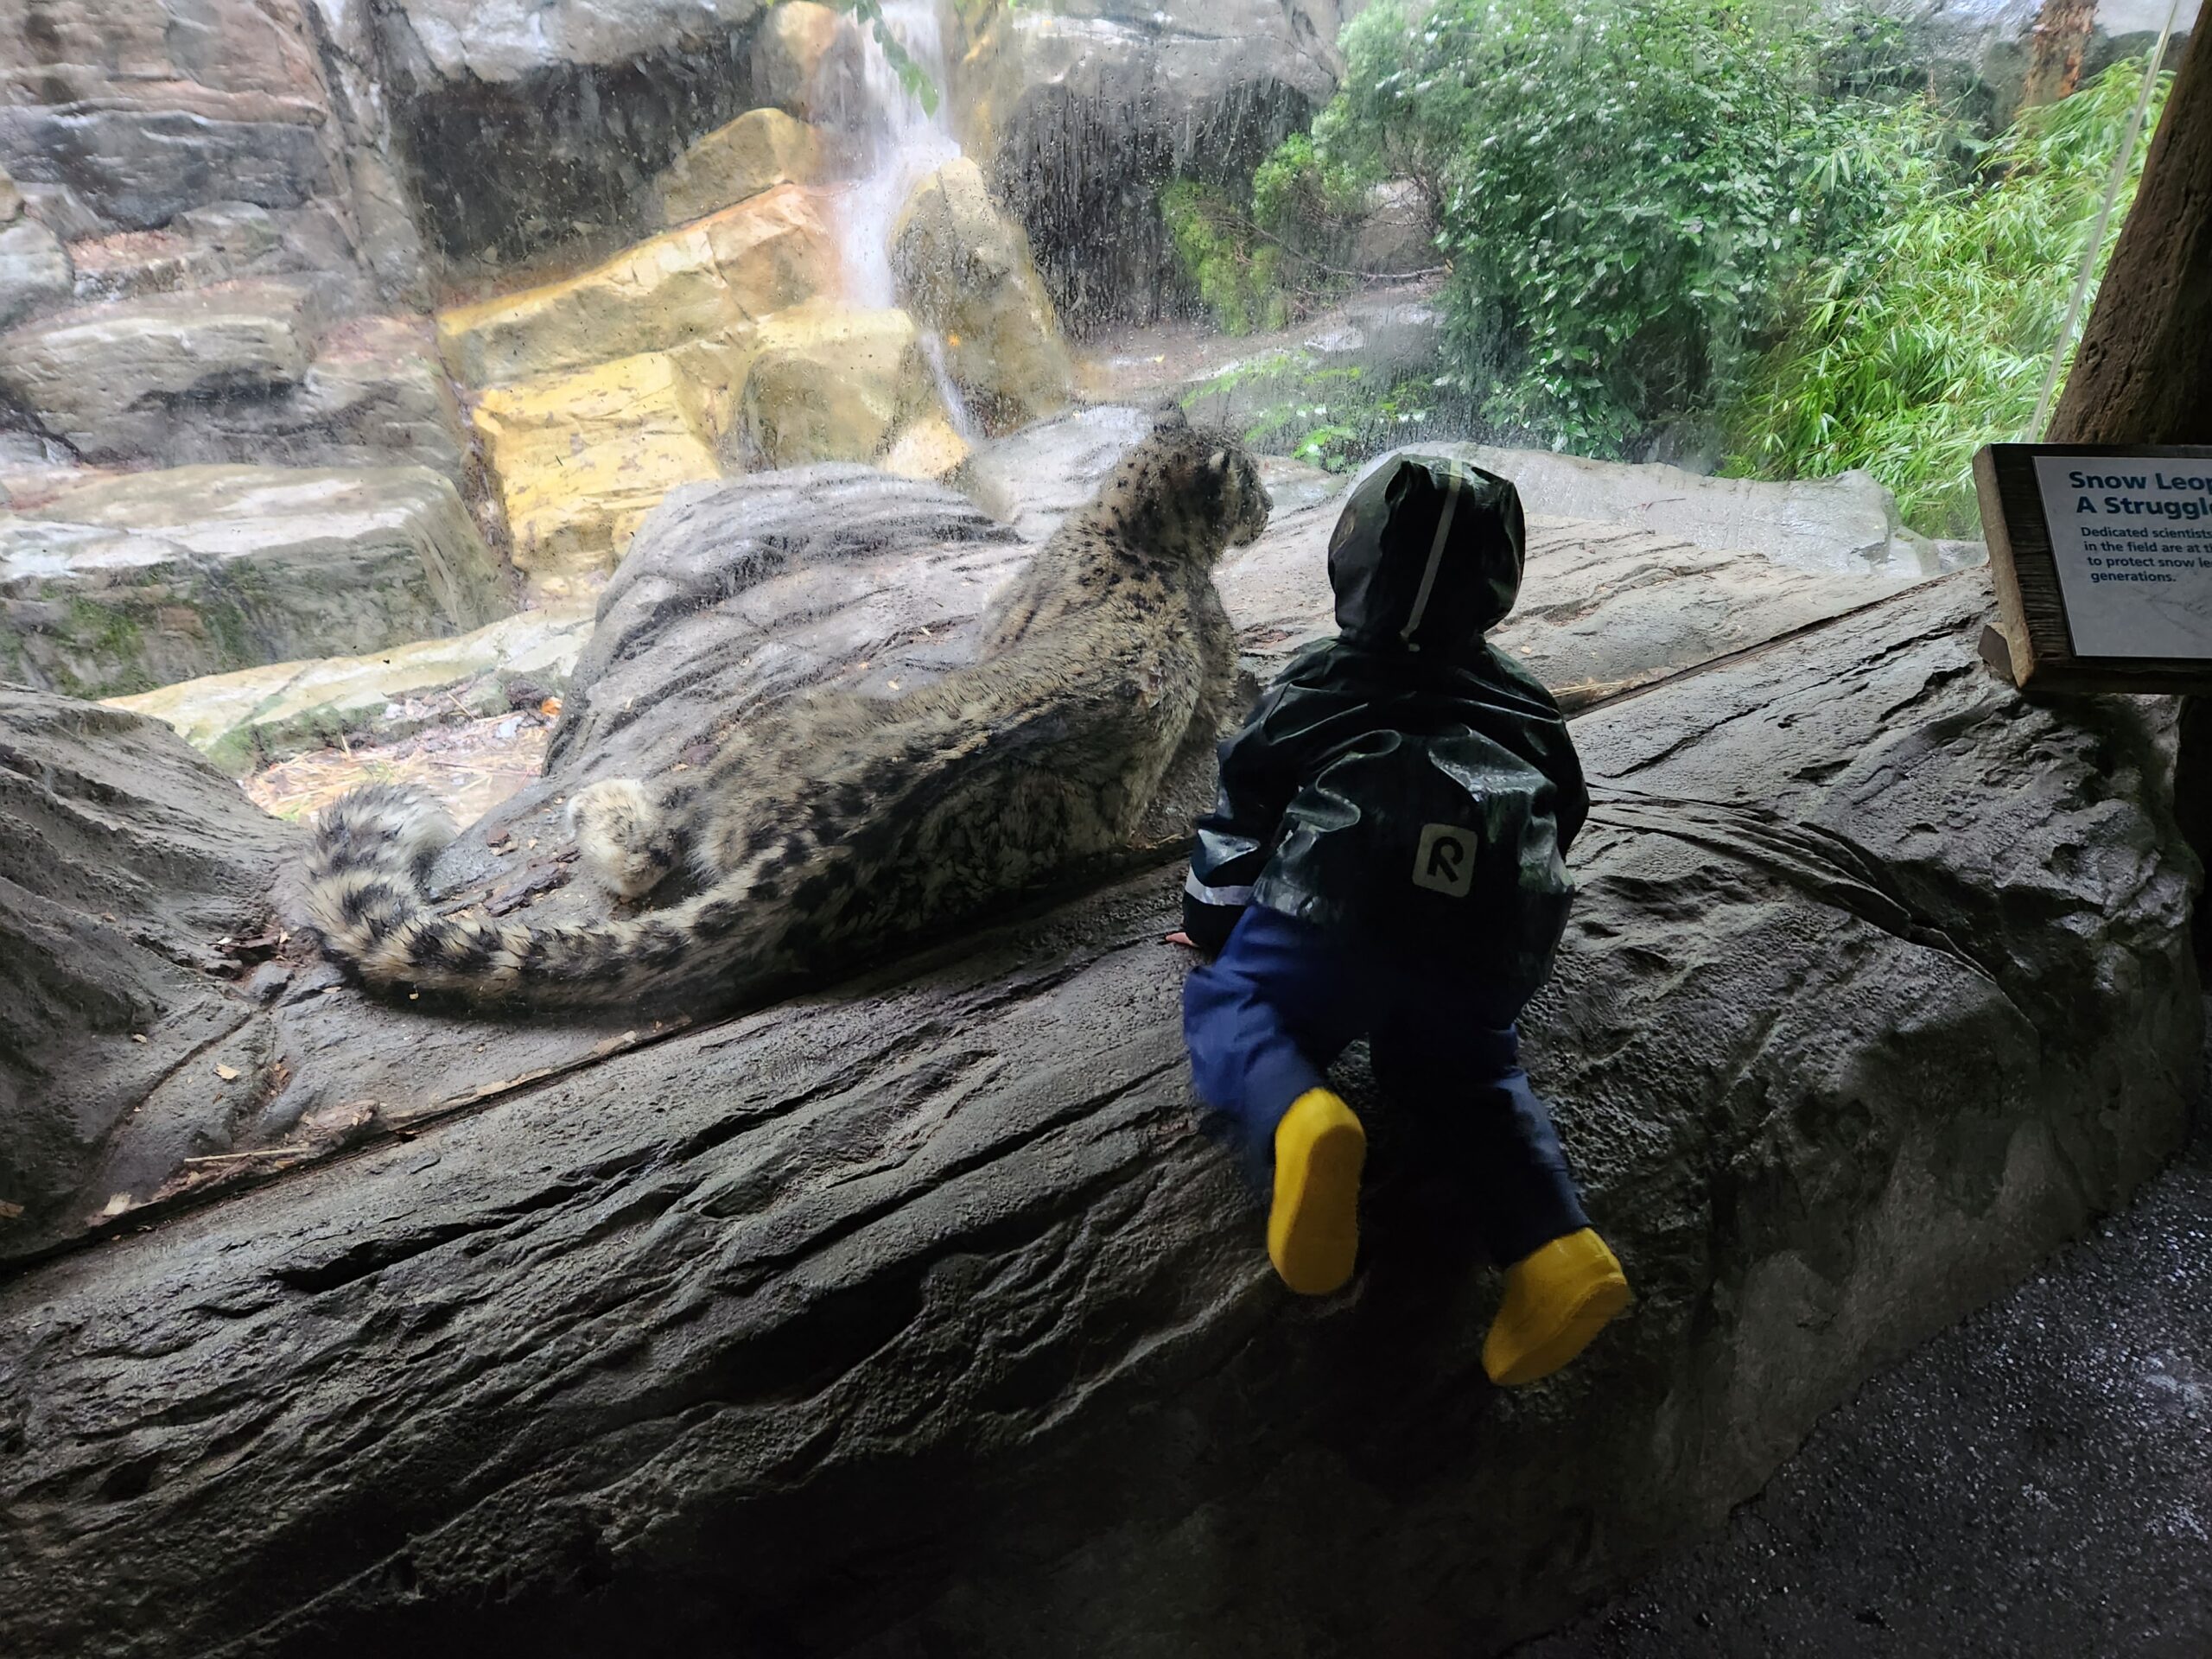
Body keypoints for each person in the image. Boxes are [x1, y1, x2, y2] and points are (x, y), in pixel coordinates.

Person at [1176, 450, 1630, 1387]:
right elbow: (1565, 815)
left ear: (1351, 564)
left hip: (1338, 896)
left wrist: (1215, 929)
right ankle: (1557, 1253)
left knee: (1234, 1009)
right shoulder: (1525, 702)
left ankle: (1299, 1119)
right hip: (1488, 932)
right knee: (1469, 1079)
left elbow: (1238, 820)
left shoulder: (1315, 683)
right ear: (1498, 585)